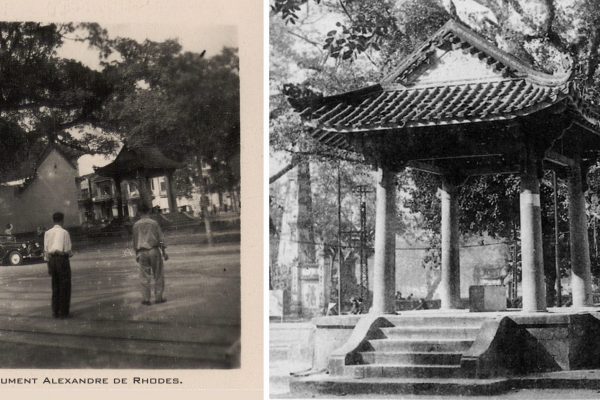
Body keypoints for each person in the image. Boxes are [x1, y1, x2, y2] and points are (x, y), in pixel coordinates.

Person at [132, 203, 169, 305]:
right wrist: (164, 252)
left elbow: (135, 241)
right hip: (154, 250)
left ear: (139, 212)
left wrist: (137, 253)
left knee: (144, 276)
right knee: (158, 274)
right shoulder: (154, 223)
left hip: (142, 252)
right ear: (148, 211)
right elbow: (160, 239)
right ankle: (158, 297)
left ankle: (146, 299)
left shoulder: (136, 225)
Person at [44, 212, 73, 319]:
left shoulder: (47, 233)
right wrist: (69, 254)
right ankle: (64, 312)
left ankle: (55, 311)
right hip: (62, 260)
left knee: (55, 286)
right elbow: (68, 250)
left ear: (53, 220)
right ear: (62, 220)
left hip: (52, 260)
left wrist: (49, 265)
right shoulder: (64, 232)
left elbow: (46, 251)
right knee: (64, 286)